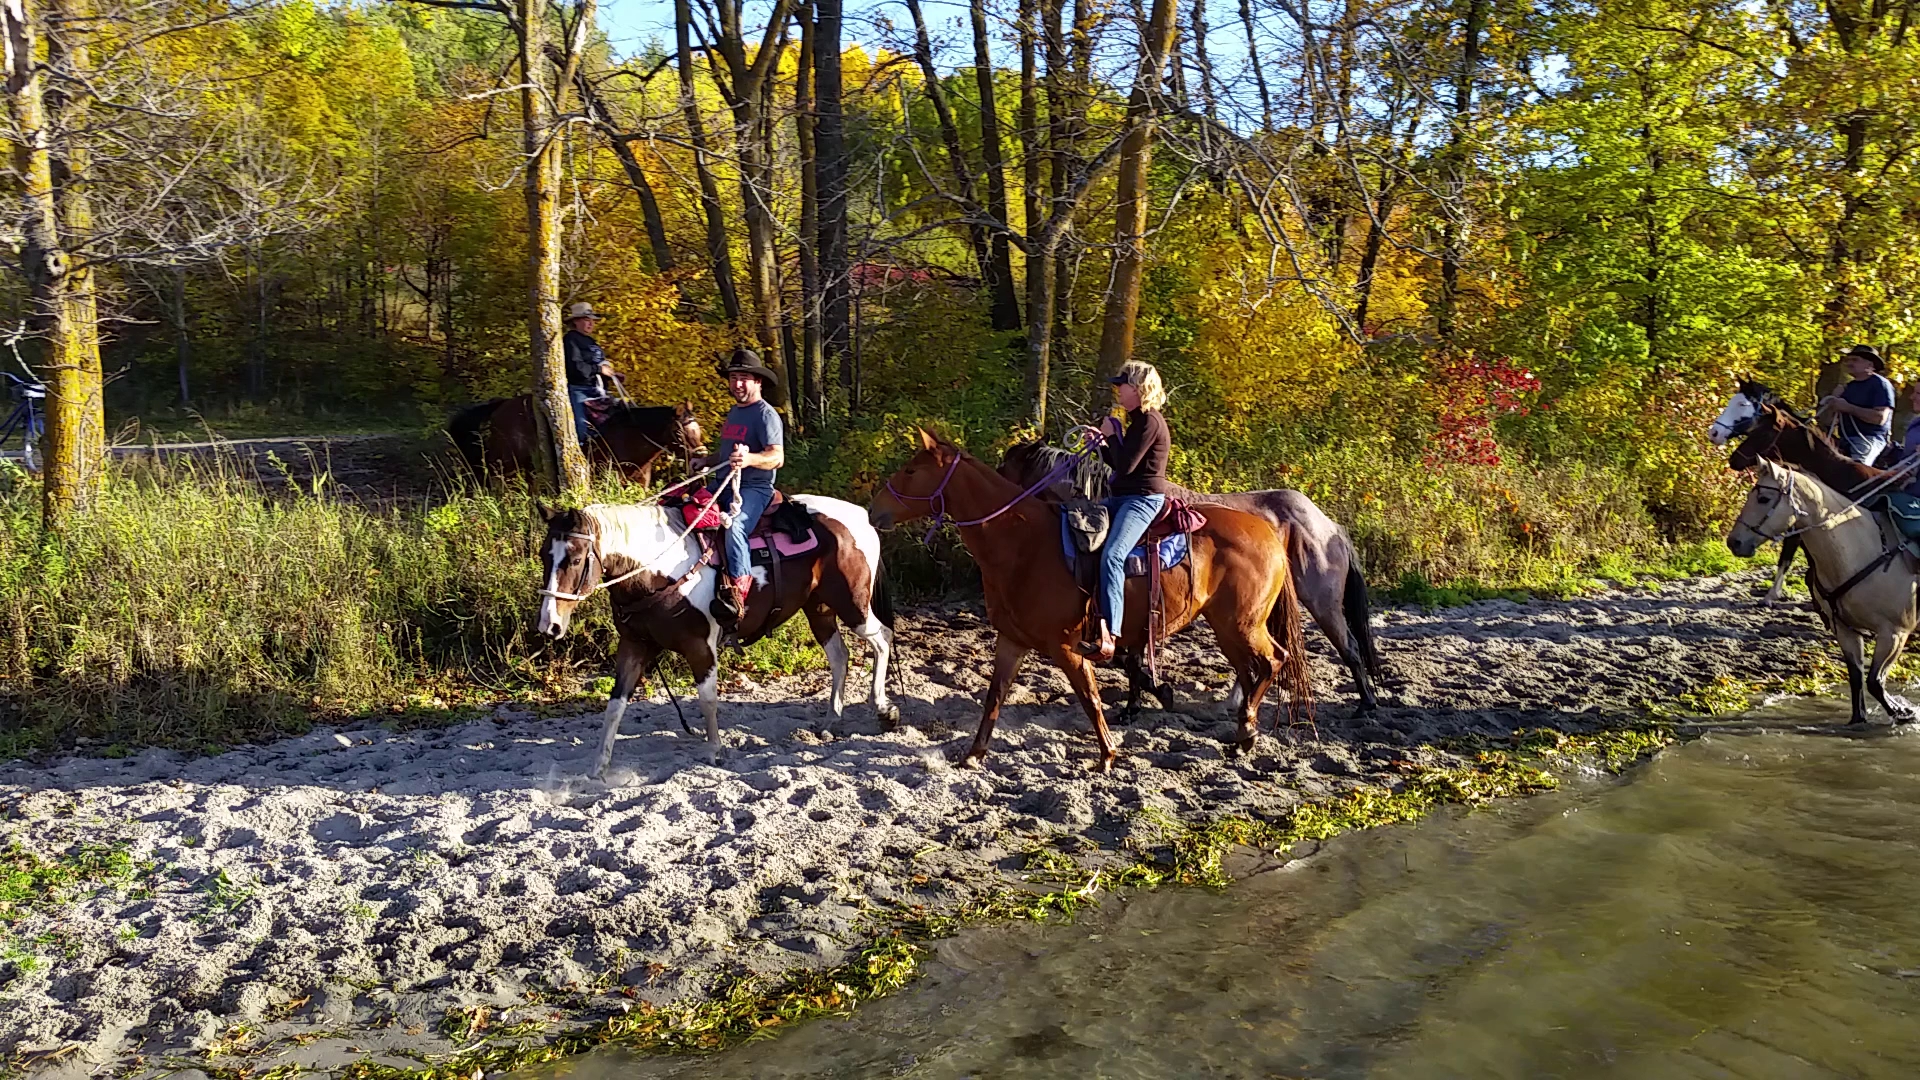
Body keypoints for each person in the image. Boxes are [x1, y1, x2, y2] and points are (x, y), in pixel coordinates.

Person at [1082, 360, 1171, 663]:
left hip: (1142, 500)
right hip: (1124, 496)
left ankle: (1112, 633)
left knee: (1113, 555)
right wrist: (1104, 443)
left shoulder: (1149, 422)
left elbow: (1126, 466)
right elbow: (1120, 463)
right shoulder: (1139, 422)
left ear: (1137, 389)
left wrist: (1110, 434)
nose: (1117, 389)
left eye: (1122, 384)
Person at [700, 349, 785, 627]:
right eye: (733, 377)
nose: (737, 384)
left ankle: (738, 593)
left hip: (753, 489)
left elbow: (777, 457)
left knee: (734, 526)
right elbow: (726, 453)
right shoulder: (735, 412)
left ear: (757, 382)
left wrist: (749, 459)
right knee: (684, 506)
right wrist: (705, 460)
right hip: (722, 483)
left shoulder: (766, 415)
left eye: (744, 378)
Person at [1822, 343, 1895, 465]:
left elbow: (1879, 418)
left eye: (1855, 360)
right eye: (1848, 360)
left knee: (1856, 469)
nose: (1849, 363)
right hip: (1844, 440)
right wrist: (1833, 401)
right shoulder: (1849, 387)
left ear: (1870, 365)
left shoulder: (1880, 384)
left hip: (1868, 439)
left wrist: (1848, 407)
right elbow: (1829, 421)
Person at [563, 302, 616, 448]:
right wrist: (599, 370)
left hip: (597, 390)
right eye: (587, 320)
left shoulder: (592, 342)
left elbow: (597, 364)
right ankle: (578, 454)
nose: (591, 324)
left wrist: (611, 374)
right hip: (579, 389)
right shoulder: (570, 340)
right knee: (581, 427)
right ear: (576, 321)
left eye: (592, 320)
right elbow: (576, 367)